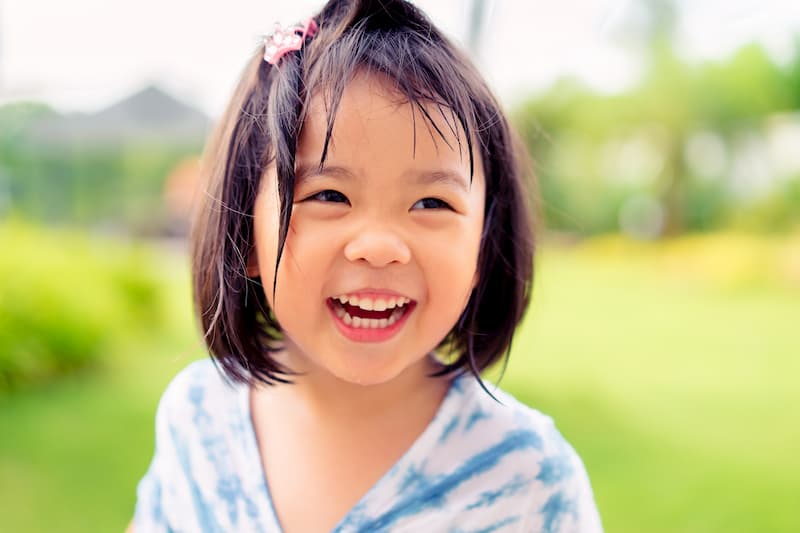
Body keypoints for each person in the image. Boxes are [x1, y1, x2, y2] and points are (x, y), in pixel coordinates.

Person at [130, 0, 603, 531]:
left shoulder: (529, 482)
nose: (379, 247)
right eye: (328, 194)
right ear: (247, 234)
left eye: (431, 203)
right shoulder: (197, 418)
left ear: (484, 247)